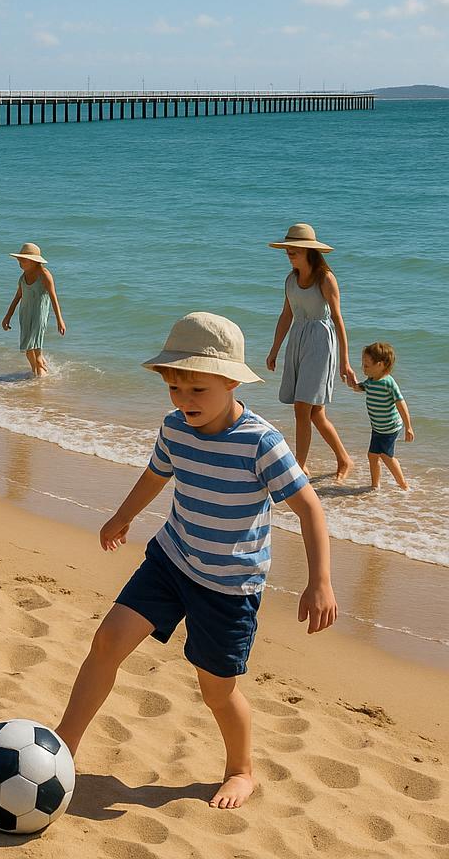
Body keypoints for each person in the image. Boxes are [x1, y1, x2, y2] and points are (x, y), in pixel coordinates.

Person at [55, 313, 337, 810]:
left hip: (229, 587)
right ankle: (64, 744)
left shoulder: (261, 442)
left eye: (196, 390)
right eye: (175, 389)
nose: (184, 402)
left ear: (231, 382)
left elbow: (309, 507)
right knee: (107, 641)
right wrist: (122, 517)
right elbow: (155, 475)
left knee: (217, 691)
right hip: (172, 559)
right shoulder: (175, 428)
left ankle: (241, 770)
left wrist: (321, 582)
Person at [265, 223, 356, 481]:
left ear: (308, 250)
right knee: (315, 412)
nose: (289, 252)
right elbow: (286, 315)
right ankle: (344, 459)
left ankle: (299, 466)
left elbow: (338, 321)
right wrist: (274, 350)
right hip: (298, 338)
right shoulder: (291, 280)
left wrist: (345, 362)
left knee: (302, 407)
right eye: (287, 249)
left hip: (320, 342)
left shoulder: (325, 279)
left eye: (294, 249)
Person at [352, 341, 414, 490]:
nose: (363, 368)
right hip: (377, 427)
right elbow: (360, 387)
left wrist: (408, 427)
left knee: (386, 457)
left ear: (380, 365)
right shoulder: (371, 380)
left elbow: (401, 403)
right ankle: (375, 486)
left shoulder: (388, 383)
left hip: (390, 428)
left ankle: (403, 485)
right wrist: (352, 381)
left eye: (367, 365)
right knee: (372, 455)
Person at [1, 243, 66, 376]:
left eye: (23, 260)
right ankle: (36, 371)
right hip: (25, 314)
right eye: (19, 260)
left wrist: (60, 320)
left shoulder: (45, 275)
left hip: (39, 315)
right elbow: (17, 297)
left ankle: (40, 374)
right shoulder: (22, 278)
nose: (20, 263)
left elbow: (54, 298)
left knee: (34, 343)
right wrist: (7, 317)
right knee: (26, 347)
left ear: (34, 262)